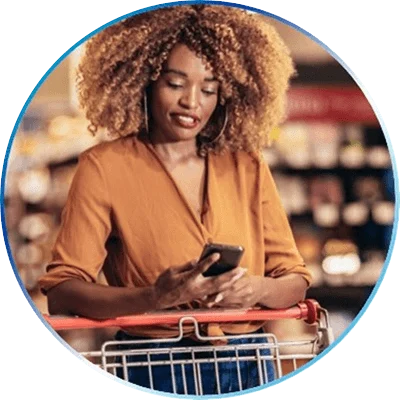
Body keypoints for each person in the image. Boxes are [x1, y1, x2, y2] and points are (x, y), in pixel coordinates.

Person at [38, 4, 312, 395]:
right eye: (175, 83)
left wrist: (256, 290)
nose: (192, 102)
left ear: (227, 92)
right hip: (152, 362)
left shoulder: (245, 164)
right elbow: (63, 292)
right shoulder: (104, 167)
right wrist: (155, 296)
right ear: (143, 80)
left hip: (248, 361)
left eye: (209, 88)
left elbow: (295, 282)